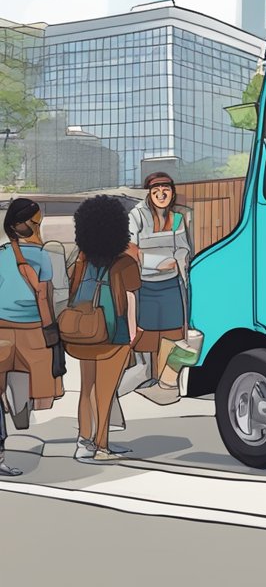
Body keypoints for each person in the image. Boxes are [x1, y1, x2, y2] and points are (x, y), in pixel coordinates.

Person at [68, 195, 142, 463]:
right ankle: (101, 446)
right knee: (106, 391)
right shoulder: (126, 264)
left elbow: (72, 291)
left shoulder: (81, 260)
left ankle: (83, 441)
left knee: (86, 388)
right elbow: (131, 300)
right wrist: (133, 334)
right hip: (114, 334)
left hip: (83, 331)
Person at [0, 199, 60, 476]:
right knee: (36, 383)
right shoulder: (42, 256)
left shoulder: (0, 255)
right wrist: (52, 332)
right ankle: (19, 411)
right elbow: (44, 297)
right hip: (32, 329)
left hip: (1, 330)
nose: (38, 227)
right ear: (20, 225)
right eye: (36, 222)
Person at [127, 172, 193, 389]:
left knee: (172, 330)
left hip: (171, 283)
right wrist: (156, 262)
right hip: (146, 283)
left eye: (165, 190)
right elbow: (130, 249)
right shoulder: (137, 215)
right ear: (149, 194)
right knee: (148, 332)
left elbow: (184, 247)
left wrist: (179, 260)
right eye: (156, 191)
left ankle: (166, 379)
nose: (161, 195)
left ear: (172, 193)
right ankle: (148, 375)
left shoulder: (177, 218)